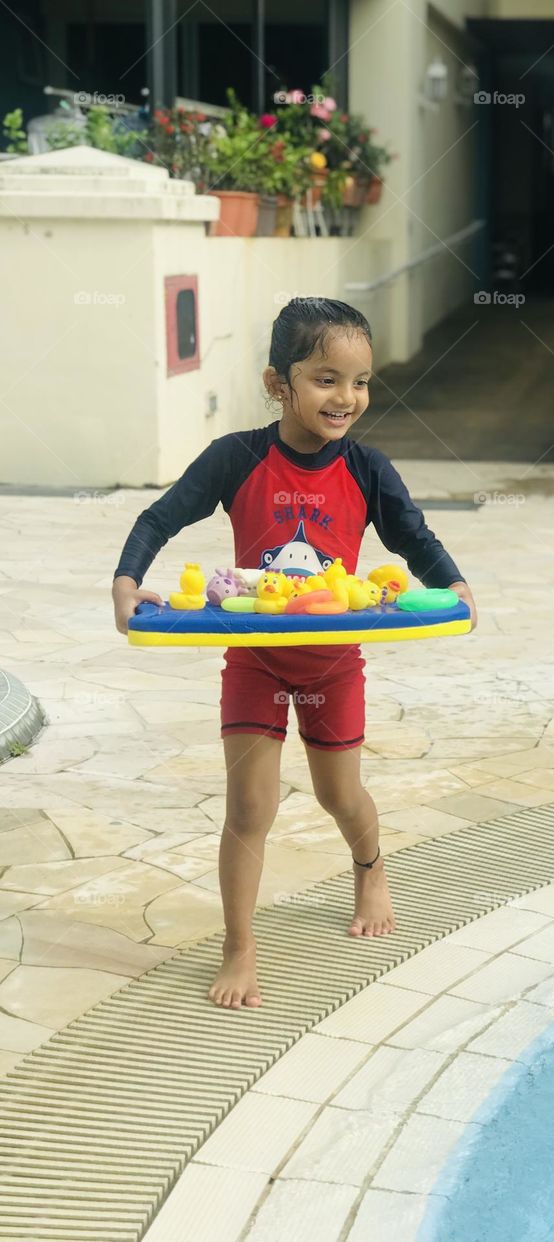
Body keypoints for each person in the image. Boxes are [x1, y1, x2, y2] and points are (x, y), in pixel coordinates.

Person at [112, 297, 477, 1010]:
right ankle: (238, 945)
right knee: (249, 810)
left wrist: (454, 586)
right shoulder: (238, 458)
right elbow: (160, 516)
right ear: (278, 383)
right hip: (256, 657)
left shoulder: (367, 468)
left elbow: (413, 537)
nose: (347, 397)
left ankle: (370, 867)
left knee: (340, 795)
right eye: (325, 379)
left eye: (360, 382)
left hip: (332, 662)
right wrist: (127, 582)